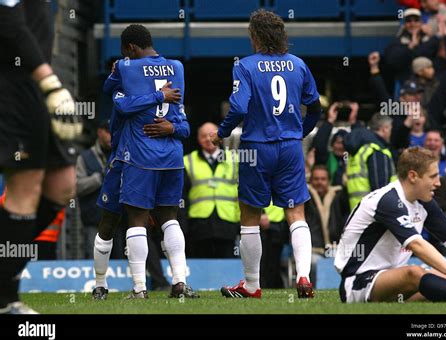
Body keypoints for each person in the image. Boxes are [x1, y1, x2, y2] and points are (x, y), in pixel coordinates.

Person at [211, 10, 322, 298]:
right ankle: (304, 278)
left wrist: (222, 132)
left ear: (255, 36)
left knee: (250, 215)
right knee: (296, 214)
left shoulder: (245, 66)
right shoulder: (298, 65)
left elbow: (237, 107)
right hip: (290, 147)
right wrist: (299, 130)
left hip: (256, 148)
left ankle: (251, 286)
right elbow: (315, 107)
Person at [0, 0, 82, 314]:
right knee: (25, 187)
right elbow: (6, 18)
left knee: (62, 185)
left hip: (33, 89)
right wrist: (49, 80)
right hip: (13, 85)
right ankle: (5, 298)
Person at [110, 24, 197, 299]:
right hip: (172, 157)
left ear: (130, 49)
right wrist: (171, 125)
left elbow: (120, 104)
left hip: (141, 157)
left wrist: (119, 72)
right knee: (170, 219)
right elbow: (184, 124)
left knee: (136, 220)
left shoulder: (127, 67)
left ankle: (139, 289)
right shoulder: (178, 68)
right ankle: (180, 282)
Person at [335, 147, 446, 303]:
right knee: (414, 273)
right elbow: (416, 245)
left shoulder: (423, 201)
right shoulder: (388, 200)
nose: (438, 183)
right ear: (413, 176)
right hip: (359, 282)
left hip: (397, 282)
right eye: (433, 176)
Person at [184, 122, 240, 258]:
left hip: (228, 222)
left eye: (211, 135)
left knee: (227, 267)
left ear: (220, 136)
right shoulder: (187, 161)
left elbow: (244, 190)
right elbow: (183, 195)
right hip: (199, 224)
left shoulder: (235, 159)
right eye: (203, 136)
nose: (208, 139)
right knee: (201, 267)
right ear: (198, 139)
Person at [76, 120, 111, 258]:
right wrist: (100, 177)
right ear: (100, 132)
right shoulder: (85, 157)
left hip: (119, 223)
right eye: (108, 132)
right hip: (94, 222)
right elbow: (76, 186)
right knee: (94, 261)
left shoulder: (122, 154)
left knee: (119, 265)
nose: (112, 136)